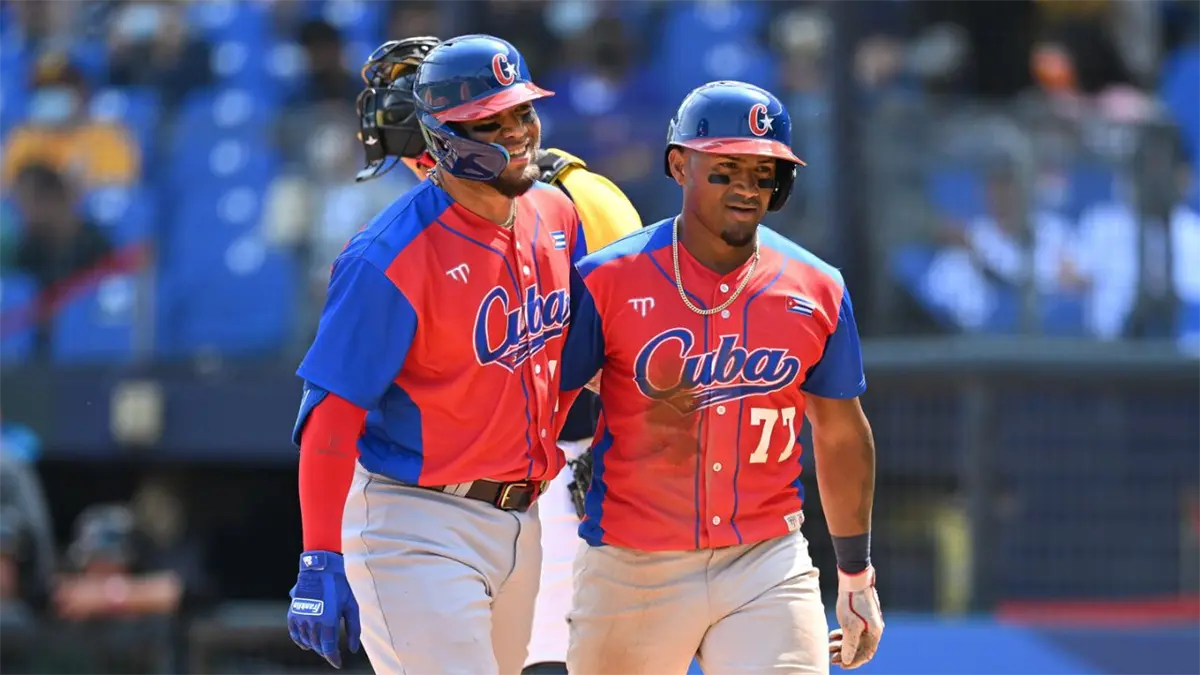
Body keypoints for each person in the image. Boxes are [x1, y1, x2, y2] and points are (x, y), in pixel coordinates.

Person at [557, 81, 885, 674]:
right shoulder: (607, 278)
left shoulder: (816, 287)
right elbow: (546, 408)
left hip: (765, 560)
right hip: (633, 563)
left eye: (764, 171)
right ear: (680, 164)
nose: (747, 186)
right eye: (727, 167)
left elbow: (840, 433)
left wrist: (856, 574)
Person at [285, 34, 586, 675]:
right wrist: (319, 557)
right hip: (415, 522)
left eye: (523, 112)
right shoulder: (387, 256)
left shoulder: (556, 213)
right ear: (443, 137)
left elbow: (571, 363)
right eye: (489, 123)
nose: (517, 133)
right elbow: (330, 420)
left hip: (522, 515)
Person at [348, 36, 643, 675]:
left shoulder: (575, 198)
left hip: (567, 469)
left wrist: (619, 450)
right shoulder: (425, 221)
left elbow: (637, 344)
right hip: (471, 484)